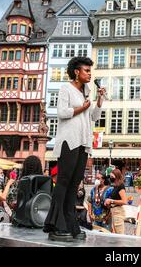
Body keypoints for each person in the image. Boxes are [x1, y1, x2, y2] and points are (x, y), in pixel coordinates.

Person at [44, 56, 106, 242]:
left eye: (90, 70)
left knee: (73, 185)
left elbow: (94, 117)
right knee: (63, 182)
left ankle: (71, 224)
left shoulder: (86, 93)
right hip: (68, 141)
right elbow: (61, 113)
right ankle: (55, 224)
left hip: (83, 142)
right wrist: (82, 107)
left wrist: (99, 100)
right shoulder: (66, 88)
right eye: (86, 70)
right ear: (77, 72)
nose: (89, 74)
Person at [104, 169, 127, 235]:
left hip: (118, 212)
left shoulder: (121, 186)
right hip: (113, 211)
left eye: (112, 177)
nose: (110, 178)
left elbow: (124, 201)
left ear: (116, 176)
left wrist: (111, 200)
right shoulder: (115, 186)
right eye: (110, 177)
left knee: (119, 235)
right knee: (115, 233)